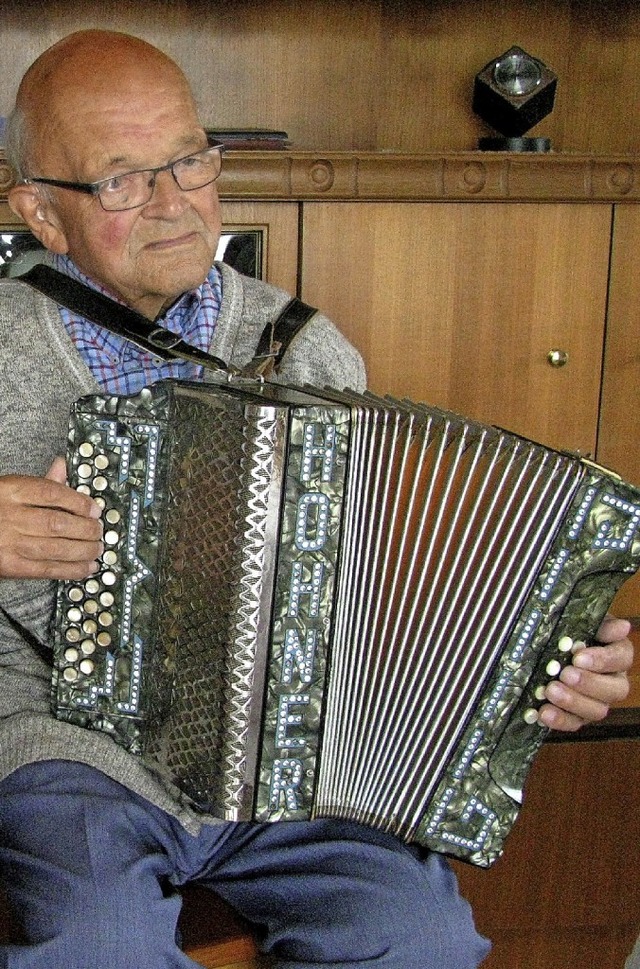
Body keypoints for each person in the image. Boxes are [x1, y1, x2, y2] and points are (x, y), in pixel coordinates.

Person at [0, 29, 633, 969]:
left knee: (417, 936)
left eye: (189, 160)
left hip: (286, 767)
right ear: (40, 213)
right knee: (101, 939)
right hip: (64, 751)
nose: (175, 204)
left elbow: (381, 602)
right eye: (122, 179)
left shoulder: (304, 349)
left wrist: (539, 665)